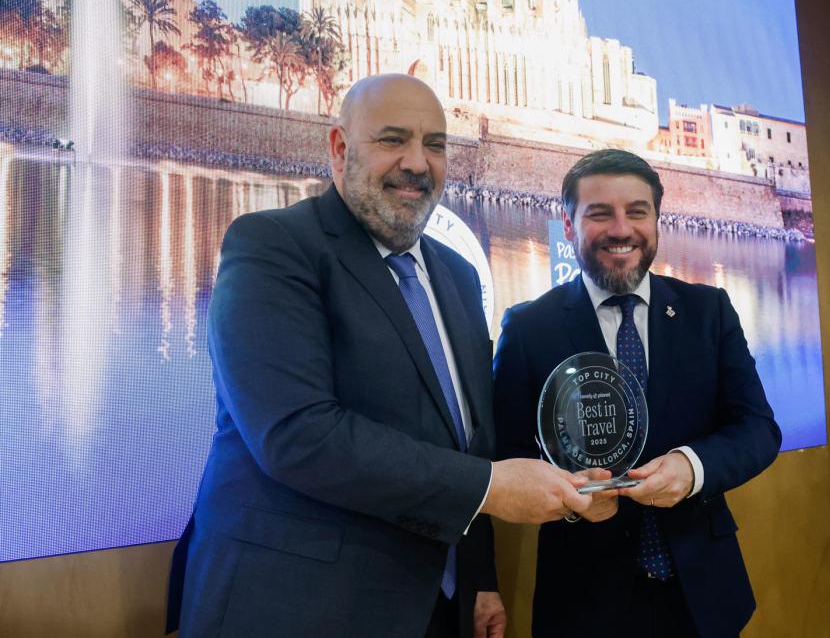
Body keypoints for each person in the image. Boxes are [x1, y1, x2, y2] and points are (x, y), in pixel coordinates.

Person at [166, 74, 595, 638]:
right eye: (393, 140)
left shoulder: (460, 277)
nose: (418, 162)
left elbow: (466, 441)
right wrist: (490, 488)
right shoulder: (273, 245)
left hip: (436, 610)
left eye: (435, 144)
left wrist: (478, 579)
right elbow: (298, 434)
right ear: (340, 149)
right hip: (297, 609)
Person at [493, 149, 782, 638]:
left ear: (656, 222)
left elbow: (757, 430)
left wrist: (692, 468)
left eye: (637, 212)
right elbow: (507, 454)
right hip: (585, 602)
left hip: (704, 596)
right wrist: (569, 497)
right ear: (569, 225)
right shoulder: (528, 327)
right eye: (600, 213)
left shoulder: (708, 311)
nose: (620, 229)